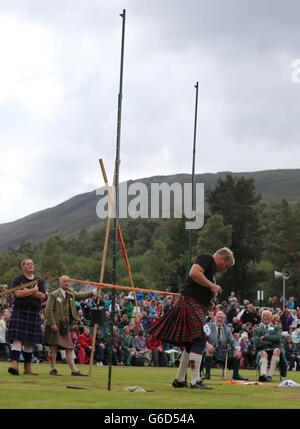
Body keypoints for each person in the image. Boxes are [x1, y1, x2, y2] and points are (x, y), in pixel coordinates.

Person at [147, 247, 235, 390]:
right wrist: (212, 285)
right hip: (189, 302)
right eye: (225, 266)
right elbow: (194, 273)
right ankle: (195, 381)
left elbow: (198, 286)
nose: (223, 270)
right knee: (200, 338)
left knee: (190, 343)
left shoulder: (211, 270)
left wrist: (208, 301)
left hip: (194, 303)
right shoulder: (207, 258)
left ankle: (180, 380)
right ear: (222, 258)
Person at [44, 275, 97, 376]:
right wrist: (52, 323)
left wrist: (94, 292)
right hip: (56, 324)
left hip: (65, 325)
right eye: (65, 281)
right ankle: (53, 369)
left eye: (68, 281)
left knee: (69, 347)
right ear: (60, 283)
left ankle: (74, 370)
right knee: (54, 347)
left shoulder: (71, 293)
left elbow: (82, 296)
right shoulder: (54, 294)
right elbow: (48, 311)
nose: (67, 283)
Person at [7, 259, 46, 375]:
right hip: (20, 311)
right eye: (27, 264)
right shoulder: (18, 279)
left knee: (29, 341)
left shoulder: (39, 280)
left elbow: (42, 295)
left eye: (32, 263)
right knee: (17, 338)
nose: (30, 265)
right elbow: (17, 294)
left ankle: (27, 367)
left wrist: (27, 290)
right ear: (23, 267)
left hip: (34, 312)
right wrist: (34, 290)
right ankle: (14, 365)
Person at [203, 311, 248, 381]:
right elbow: (201, 338)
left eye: (222, 318)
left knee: (237, 351)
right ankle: (207, 374)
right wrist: (207, 344)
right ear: (214, 317)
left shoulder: (227, 329)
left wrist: (238, 348)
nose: (220, 319)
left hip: (223, 352)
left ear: (224, 320)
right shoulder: (208, 326)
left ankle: (236, 375)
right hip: (211, 351)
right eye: (218, 317)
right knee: (208, 351)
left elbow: (233, 341)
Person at [253, 309, 287, 382]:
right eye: (264, 316)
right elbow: (257, 344)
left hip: (274, 350)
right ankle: (263, 375)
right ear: (261, 318)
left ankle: (269, 376)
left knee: (277, 350)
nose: (265, 317)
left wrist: (264, 337)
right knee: (263, 353)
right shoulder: (256, 329)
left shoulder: (277, 327)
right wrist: (272, 340)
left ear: (271, 318)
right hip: (262, 350)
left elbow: (278, 338)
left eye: (268, 316)